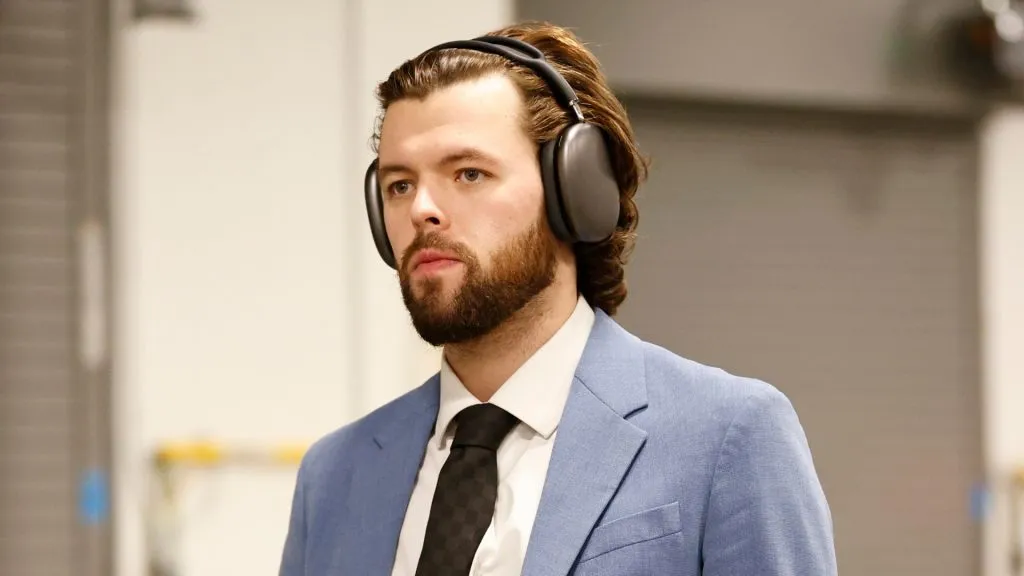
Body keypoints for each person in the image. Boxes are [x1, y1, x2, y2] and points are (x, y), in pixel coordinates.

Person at [279, 21, 837, 576]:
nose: (422, 208)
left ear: (576, 193)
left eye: (468, 173)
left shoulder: (729, 437)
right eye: (399, 185)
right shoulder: (332, 475)